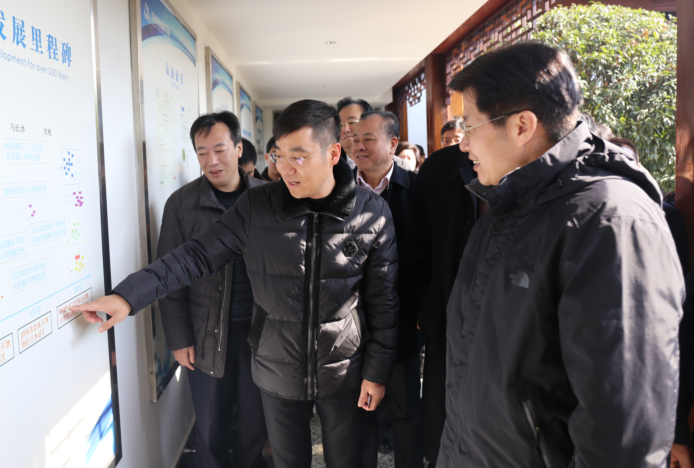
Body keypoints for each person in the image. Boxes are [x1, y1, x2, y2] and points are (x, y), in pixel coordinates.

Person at [71, 100, 399, 468]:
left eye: (299, 156)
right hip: (276, 369)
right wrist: (127, 297)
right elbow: (195, 256)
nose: (285, 168)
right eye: (279, 155)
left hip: (343, 369)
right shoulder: (257, 205)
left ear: (333, 153)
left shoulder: (371, 212)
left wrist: (376, 372)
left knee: (348, 460)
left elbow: (383, 301)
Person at [438, 41, 683, 467]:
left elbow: (623, 426)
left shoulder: (610, 220)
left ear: (521, 125)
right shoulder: (509, 204)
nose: (463, 144)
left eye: (470, 126)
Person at [156, 111, 267, 468]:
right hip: (205, 335)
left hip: (261, 332)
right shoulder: (181, 204)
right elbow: (170, 277)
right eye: (202, 152)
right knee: (210, 425)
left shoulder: (267, 197)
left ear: (239, 148)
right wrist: (178, 338)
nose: (211, 161)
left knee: (254, 423)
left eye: (219, 150)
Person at [398, 140, 477, 467]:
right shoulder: (441, 167)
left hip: (509, 331)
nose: (465, 139)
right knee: (443, 431)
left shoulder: (537, 171)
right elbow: (416, 250)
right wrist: (425, 310)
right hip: (446, 323)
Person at [352, 111, 423, 468]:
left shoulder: (419, 189)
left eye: (369, 138)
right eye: (355, 139)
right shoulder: (339, 189)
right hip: (353, 322)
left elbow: (429, 253)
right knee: (359, 411)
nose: (359, 146)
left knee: (406, 406)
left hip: (404, 319)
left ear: (393, 143)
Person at [336, 97, 373, 169]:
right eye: (340, 125)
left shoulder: (389, 164)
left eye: (352, 122)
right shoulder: (330, 166)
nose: (345, 129)